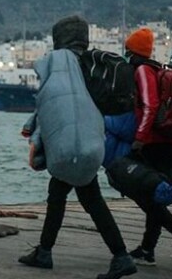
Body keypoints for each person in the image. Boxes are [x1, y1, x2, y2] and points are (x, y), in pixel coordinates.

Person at [19, 15, 137, 279]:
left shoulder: (61, 64)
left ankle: (120, 256)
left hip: (69, 145)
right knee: (73, 196)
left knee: (78, 198)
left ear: (59, 38)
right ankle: (46, 251)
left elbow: (50, 105)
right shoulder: (91, 65)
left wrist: (36, 139)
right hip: (89, 141)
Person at [122, 27, 172, 266]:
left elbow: (150, 105)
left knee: (146, 193)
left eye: (127, 51)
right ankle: (148, 248)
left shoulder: (143, 71)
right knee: (153, 194)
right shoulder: (155, 69)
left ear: (134, 52)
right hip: (170, 142)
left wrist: (140, 138)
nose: (126, 56)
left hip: (158, 143)